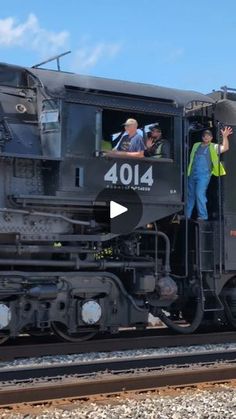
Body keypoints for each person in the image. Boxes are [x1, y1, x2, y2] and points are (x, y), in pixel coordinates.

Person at [187, 126, 233, 220]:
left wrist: (225, 136)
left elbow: (225, 147)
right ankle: (187, 215)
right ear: (202, 137)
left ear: (211, 138)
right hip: (192, 173)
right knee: (190, 195)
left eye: (208, 136)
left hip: (204, 175)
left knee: (199, 194)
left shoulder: (213, 146)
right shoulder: (196, 145)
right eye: (204, 136)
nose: (206, 137)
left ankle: (203, 216)